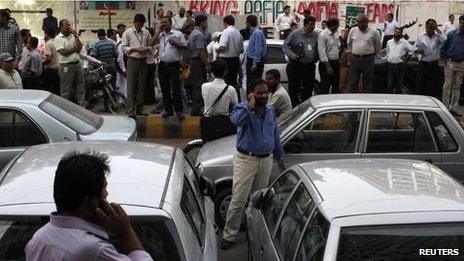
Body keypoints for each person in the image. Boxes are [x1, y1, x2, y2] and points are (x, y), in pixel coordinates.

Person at [25, 151, 153, 261]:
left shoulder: (37, 239)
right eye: (104, 188)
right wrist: (125, 232)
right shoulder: (94, 250)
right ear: (90, 201)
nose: (107, 194)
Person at [221, 78, 285, 250]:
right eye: (259, 93)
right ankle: (229, 235)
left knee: (259, 199)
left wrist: (279, 157)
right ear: (251, 94)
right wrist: (249, 106)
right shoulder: (243, 109)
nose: (264, 95)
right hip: (246, 160)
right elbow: (235, 121)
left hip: (266, 160)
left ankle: (255, 231)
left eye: (265, 92)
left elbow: (275, 135)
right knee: (239, 199)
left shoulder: (271, 110)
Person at [152, 16, 187, 119]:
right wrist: (158, 32)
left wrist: (176, 44)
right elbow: (151, 43)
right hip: (162, 64)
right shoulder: (160, 35)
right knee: (164, 89)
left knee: (176, 89)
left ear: (170, 23)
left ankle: (179, 111)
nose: (163, 24)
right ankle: (168, 110)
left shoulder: (178, 34)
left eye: (165, 22)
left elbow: (185, 47)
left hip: (174, 65)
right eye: (161, 22)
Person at [283, 16, 319, 107]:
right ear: (305, 25)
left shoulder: (315, 35)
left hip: (310, 66)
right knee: (294, 89)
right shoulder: (295, 34)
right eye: (311, 24)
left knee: (308, 89)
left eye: (314, 24)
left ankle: (305, 110)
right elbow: (285, 46)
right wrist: (291, 55)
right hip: (297, 65)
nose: (313, 26)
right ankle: (293, 109)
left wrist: (316, 57)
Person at [121, 14, 152, 117]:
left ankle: (140, 108)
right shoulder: (127, 33)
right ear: (134, 23)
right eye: (138, 24)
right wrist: (135, 49)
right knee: (131, 86)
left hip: (143, 61)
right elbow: (124, 48)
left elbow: (151, 45)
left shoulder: (146, 32)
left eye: (142, 25)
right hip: (132, 60)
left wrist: (147, 49)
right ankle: (130, 109)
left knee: (142, 85)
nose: (140, 26)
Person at [347, 14, 381, 93]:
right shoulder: (353, 30)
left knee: (367, 82)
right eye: (358, 22)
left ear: (366, 22)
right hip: (355, 59)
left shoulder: (374, 32)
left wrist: (372, 55)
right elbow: (349, 43)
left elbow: (378, 46)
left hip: (368, 59)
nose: (359, 24)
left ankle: (366, 102)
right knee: (353, 81)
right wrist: (353, 53)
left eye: (361, 22)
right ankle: (353, 101)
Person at [54, 19, 84, 105]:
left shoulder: (73, 36)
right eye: (66, 25)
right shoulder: (58, 38)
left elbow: (79, 47)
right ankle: (65, 110)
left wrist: (76, 35)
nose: (69, 27)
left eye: (69, 25)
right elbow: (63, 52)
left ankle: (82, 107)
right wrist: (75, 49)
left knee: (81, 88)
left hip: (77, 65)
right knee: (66, 90)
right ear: (61, 27)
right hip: (66, 66)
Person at [414, 19, 446, 98]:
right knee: (420, 85)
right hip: (423, 64)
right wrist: (417, 51)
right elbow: (414, 48)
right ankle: (419, 102)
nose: (428, 30)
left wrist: (436, 28)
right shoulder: (420, 36)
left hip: (434, 65)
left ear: (434, 28)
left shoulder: (437, 37)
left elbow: (444, 39)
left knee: (433, 86)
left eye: (431, 28)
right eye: (427, 27)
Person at [441, 14, 464, 116]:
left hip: (461, 63)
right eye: (461, 22)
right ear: (458, 22)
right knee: (447, 85)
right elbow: (443, 48)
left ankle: (453, 108)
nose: (462, 25)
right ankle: (445, 108)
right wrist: (446, 61)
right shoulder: (451, 34)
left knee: (457, 87)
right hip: (450, 62)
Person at [217, 15, 244, 101]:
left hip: (226, 61)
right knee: (233, 84)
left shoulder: (226, 32)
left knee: (226, 85)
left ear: (225, 23)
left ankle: (227, 104)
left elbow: (222, 47)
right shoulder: (238, 33)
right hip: (235, 60)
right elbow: (241, 50)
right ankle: (236, 103)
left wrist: (217, 49)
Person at [188, 14, 210, 116]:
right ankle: (196, 109)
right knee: (200, 85)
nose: (206, 24)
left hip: (194, 61)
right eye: (206, 22)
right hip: (198, 61)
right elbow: (200, 51)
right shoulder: (200, 34)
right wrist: (206, 64)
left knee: (196, 85)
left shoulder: (194, 32)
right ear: (202, 22)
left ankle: (195, 108)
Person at [386, 27, 413, 94]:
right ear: (394, 33)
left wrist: (406, 57)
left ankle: (398, 99)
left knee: (399, 84)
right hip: (390, 65)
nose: (397, 33)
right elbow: (387, 52)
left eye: (398, 32)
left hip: (400, 65)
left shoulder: (404, 42)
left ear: (401, 34)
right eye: (396, 32)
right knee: (390, 83)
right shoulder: (389, 42)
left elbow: (412, 50)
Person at [318, 18, 340, 94]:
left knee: (336, 86)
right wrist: (328, 66)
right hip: (327, 64)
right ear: (333, 25)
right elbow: (322, 52)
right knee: (325, 86)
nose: (338, 27)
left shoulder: (335, 33)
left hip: (336, 62)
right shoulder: (323, 35)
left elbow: (337, 46)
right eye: (337, 25)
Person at [246, 15, 267, 92]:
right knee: (252, 85)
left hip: (254, 62)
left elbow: (258, 49)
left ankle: (253, 102)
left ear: (248, 23)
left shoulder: (256, 33)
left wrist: (255, 63)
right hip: (253, 61)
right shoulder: (255, 32)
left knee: (253, 86)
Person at [43, 27, 60, 95]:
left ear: (47, 34)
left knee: (48, 91)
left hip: (51, 69)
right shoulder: (57, 42)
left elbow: (49, 58)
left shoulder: (48, 43)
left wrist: (43, 63)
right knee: (57, 90)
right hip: (58, 69)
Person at [339, 27, 352, 93]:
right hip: (342, 65)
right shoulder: (341, 40)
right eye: (345, 31)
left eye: (347, 31)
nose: (345, 33)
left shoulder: (351, 41)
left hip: (348, 66)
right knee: (342, 83)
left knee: (347, 83)